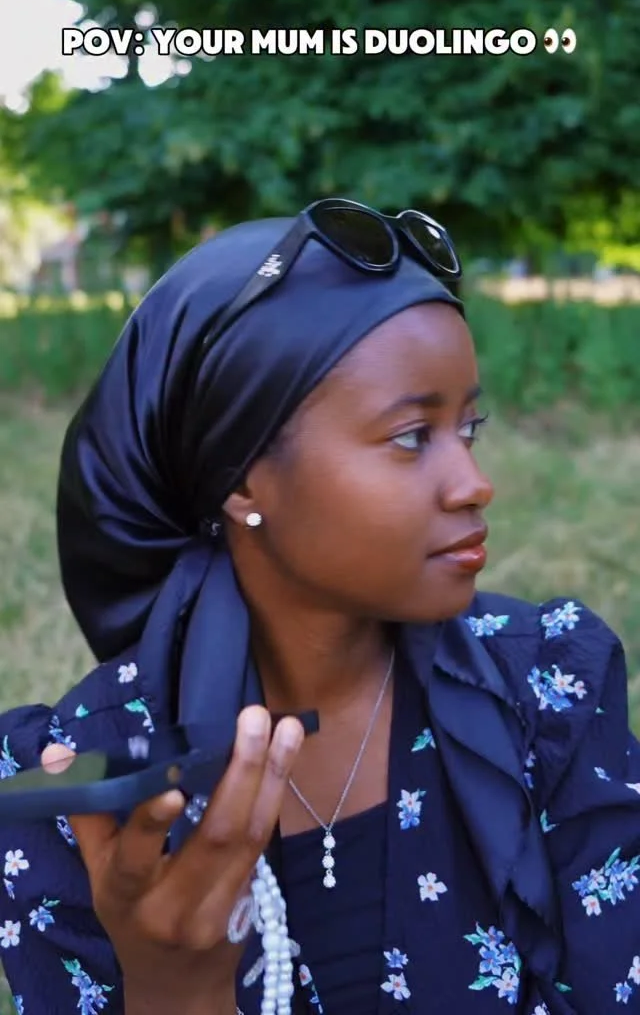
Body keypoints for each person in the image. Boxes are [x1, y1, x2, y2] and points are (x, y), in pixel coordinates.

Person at [0, 199, 638, 1015]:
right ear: (243, 481)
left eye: (468, 428)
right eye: (411, 437)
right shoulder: (84, 790)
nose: (474, 484)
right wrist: (173, 991)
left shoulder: (548, 693)